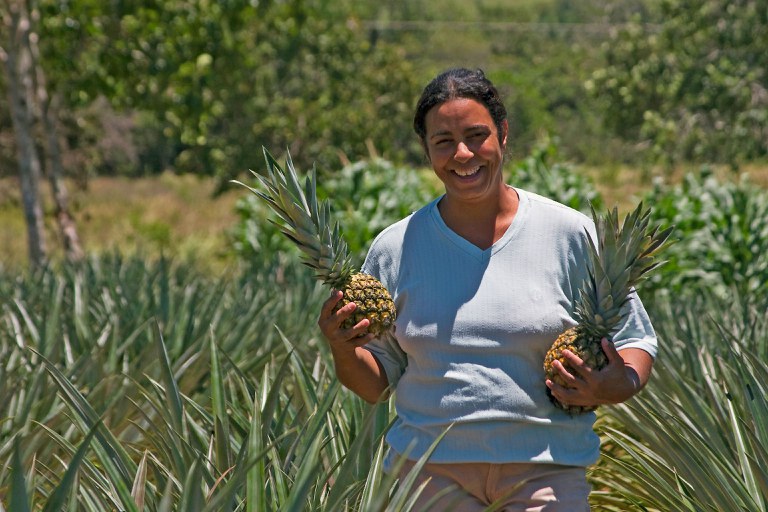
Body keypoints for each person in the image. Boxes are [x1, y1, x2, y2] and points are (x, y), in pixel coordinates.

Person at [318, 67, 656, 511]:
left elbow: (635, 340)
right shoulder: (397, 247)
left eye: (477, 135)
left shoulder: (570, 234)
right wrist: (342, 348)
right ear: (427, 150)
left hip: (546, 470)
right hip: (425, 476)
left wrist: (614, 384)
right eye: (443, 141)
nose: (463, 154)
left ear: (503, 133)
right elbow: (377, 383)